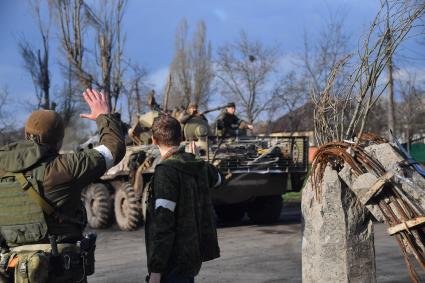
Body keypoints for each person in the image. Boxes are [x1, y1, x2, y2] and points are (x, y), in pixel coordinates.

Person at [0, 89, 125, 282]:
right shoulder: (65, 167)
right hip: (61, 271)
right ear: (58, 142)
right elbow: (112, 149)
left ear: (26, 135)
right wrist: (104, 116)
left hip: (15, 271)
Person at [145, 115, 222, 283]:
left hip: (171, 264)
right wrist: (195, 158)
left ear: (153, 140)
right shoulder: (196, 165)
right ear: (181, 138)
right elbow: (218, 178)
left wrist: (156, 271)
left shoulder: (166, 171)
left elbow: (163, 224)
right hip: (191, 259)